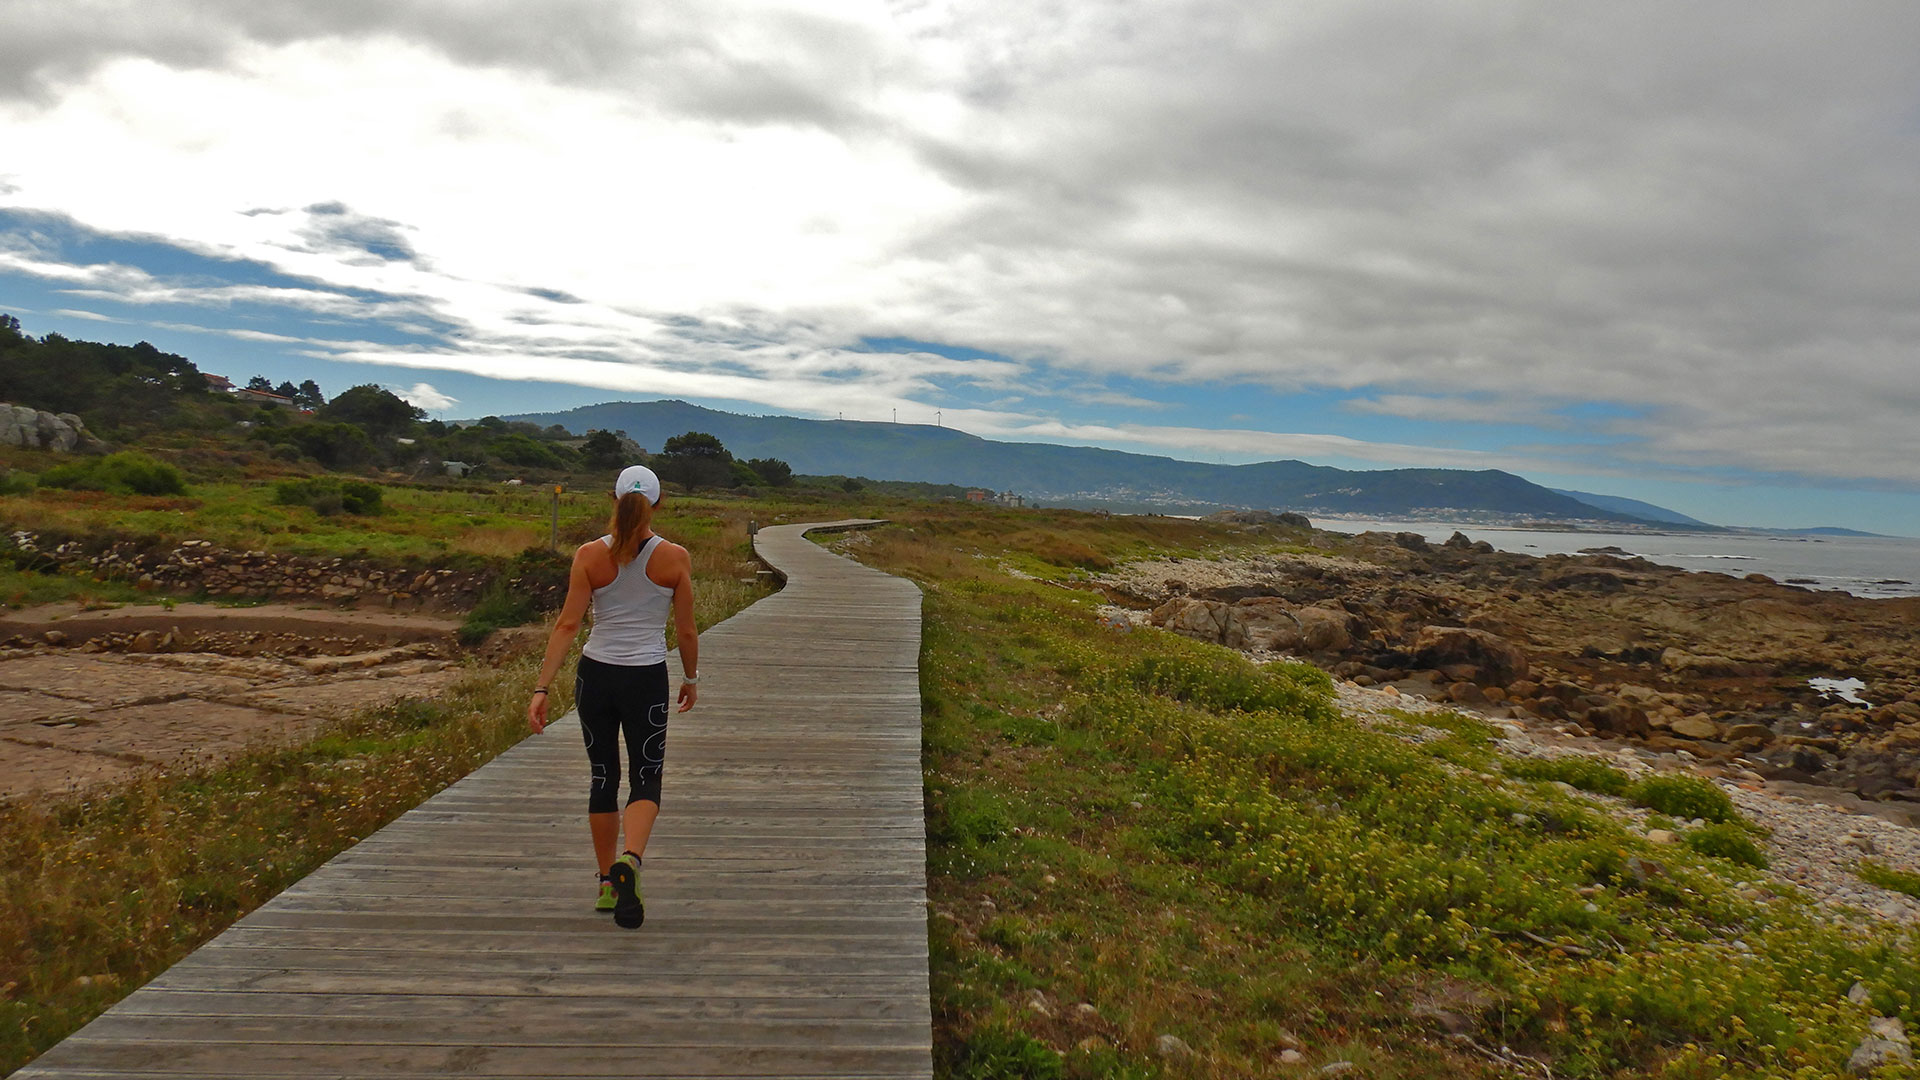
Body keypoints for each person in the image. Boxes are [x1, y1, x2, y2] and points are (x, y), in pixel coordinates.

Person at [528, 464, 699, 929]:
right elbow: (684, 628)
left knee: (603, 776)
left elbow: (567, 625)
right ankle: (631, 860)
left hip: (595, 677)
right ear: (658, 503)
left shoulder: (588, 555)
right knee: (647, 776)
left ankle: (606, 881)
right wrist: (690, 677)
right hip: (644, 678)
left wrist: (542, 688)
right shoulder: (674, 558)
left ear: (613, 498)